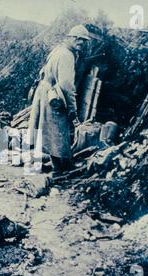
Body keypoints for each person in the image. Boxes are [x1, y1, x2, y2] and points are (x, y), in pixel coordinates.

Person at [27, 25, 91, 174]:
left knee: (49, 130)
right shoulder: (67, 56)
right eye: (77, 38)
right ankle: (62, 167)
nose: (80, 42)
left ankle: (58, 165)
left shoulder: (58, 50)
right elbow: (67, 85)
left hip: (45, 91)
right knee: (59, 129)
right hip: (54, 95)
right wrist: (72, 108)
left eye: (83, 40)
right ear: (69, 38)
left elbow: (43, 71)